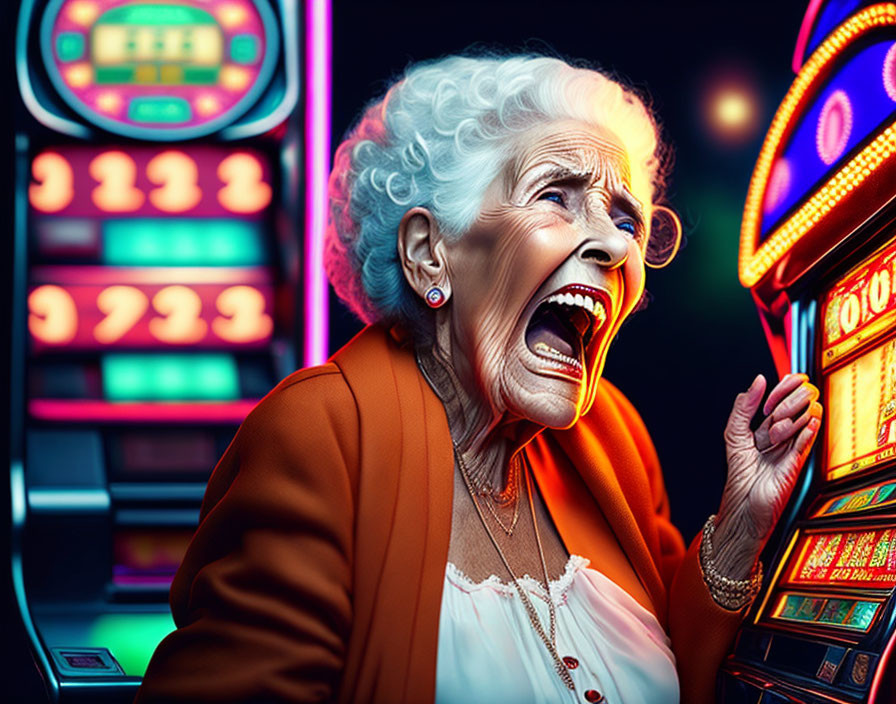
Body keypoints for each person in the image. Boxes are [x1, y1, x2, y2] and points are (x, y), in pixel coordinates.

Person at [135, 54, 823, 704]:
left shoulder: (612, 431)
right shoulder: (323, 433)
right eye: (557, 195)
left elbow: (681, 666)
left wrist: (738, 531)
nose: (618, 246)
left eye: (625, 220)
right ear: (430, 255)